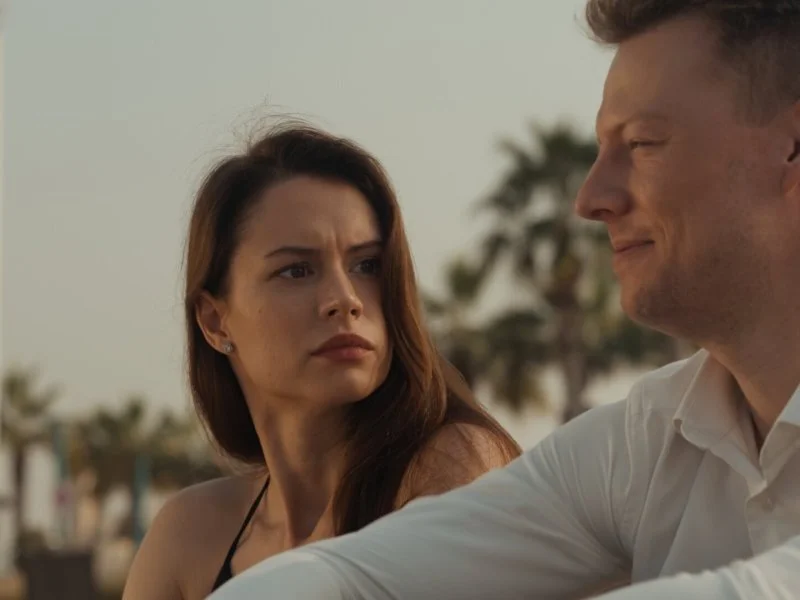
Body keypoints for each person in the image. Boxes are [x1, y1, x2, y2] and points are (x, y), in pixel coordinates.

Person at [207, 1, 800, 598]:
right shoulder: (652, 438)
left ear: (792, 148)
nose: (591, 198)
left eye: (644, 143)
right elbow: (358, 576)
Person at [121, 123, 520, 600]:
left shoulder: (449, 466)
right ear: (215, 321)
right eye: (296, 270)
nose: (345, 299)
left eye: (367, 265)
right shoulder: (191, 533)